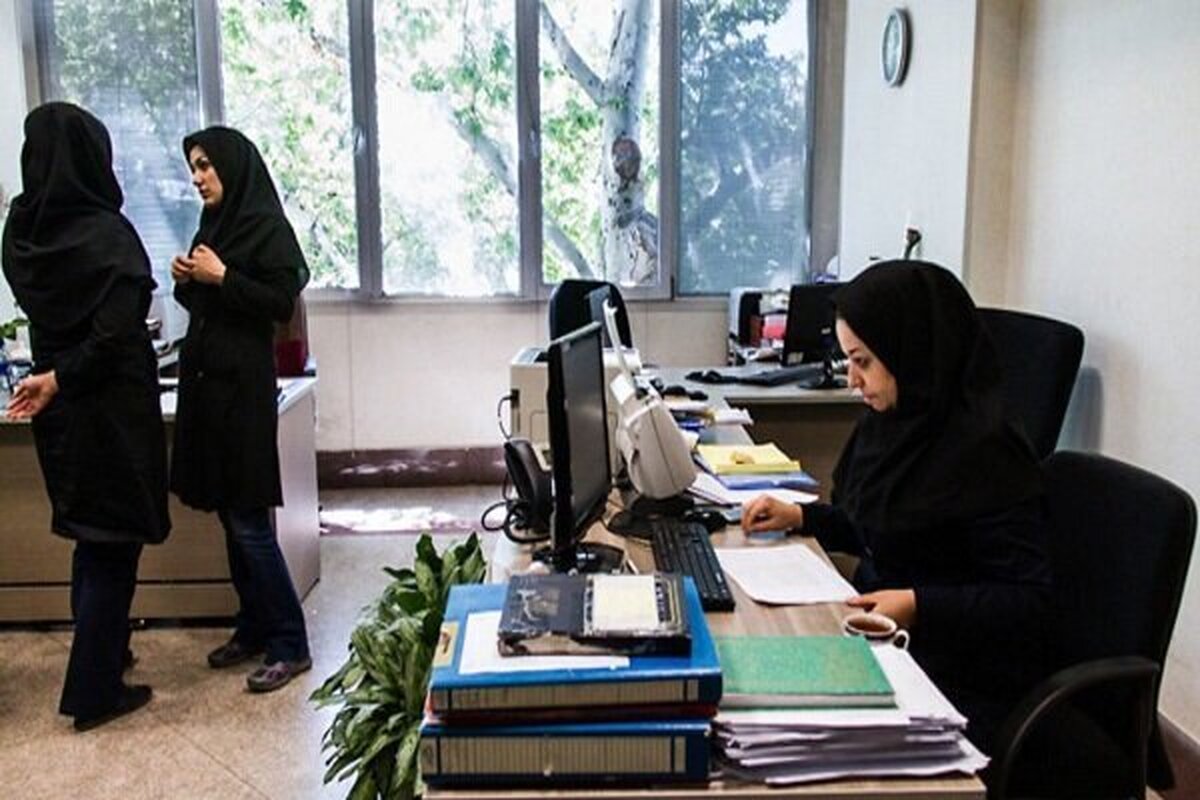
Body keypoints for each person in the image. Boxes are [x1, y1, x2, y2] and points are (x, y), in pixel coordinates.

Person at [741, 260, 1051, 753]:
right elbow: (885, 531)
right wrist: (802, 517)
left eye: (863, 362)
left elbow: (1027, 603)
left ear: (912, 352)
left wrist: (917, 604)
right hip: (890, 645)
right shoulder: (899, 424)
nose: (852, 380)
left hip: (957, 676)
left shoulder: (986, 454)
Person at [2, 102, 170, 730]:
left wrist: (54, 378)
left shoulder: (23, 232)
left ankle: (107, 650)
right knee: (113, 549)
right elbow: (116, 333)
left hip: (59, 409)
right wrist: (66, 376)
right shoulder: (106, 234)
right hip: (109, 409)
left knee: (91, 539)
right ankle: (93, 692)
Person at [170, 126, 311, 693]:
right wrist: (189, 280)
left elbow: (278, 302)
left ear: (232, 166)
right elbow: (207, 303)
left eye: (206, 165)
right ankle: (252, 626)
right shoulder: (214, 224)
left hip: (242, 390)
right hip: (208, 386)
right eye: (193, 168)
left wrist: (223, 276)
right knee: (229, 516)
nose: (198, 178)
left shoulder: (266, 227)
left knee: (249, 520)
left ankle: (290, 643)